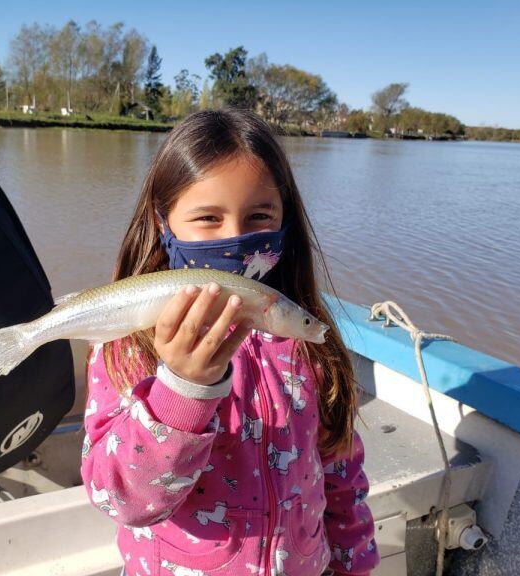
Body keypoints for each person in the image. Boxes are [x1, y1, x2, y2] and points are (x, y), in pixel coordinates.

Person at [80, 108, 380, 576]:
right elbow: (120, 497)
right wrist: (183, 388)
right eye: (207, 217)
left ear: (285, 221)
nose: (236, 238)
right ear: (165, 223)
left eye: (259, 215)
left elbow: (340, 473)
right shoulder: (127, 347)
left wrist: (353, 565)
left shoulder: (308, 344)